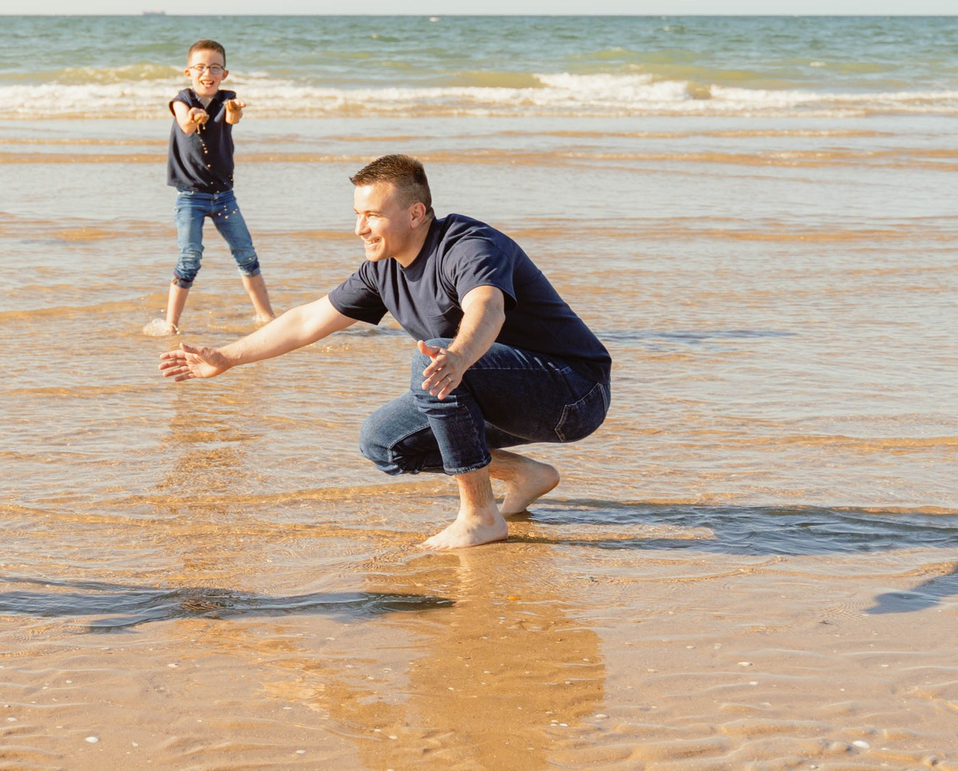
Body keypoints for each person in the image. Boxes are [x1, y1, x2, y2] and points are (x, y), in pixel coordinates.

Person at [157, 154, 612, 549]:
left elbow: (487, 306)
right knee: (383, 440)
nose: (359, 228)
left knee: (431, 357)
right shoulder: (382, 270)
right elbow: (306, 320)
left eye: (372, 215)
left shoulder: (468, 246)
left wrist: (458, 355)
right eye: (357, 214)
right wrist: (227, 357)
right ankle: (522, 475)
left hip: (573, 393)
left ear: (416, 214)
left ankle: (480, 517)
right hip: (497, 390)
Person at [141, 39, 277, 338]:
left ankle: (266, 317)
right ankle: (171, 324)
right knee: (190, 258)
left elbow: (232, 118)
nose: (208, 73)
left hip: (224, 195)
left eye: (215, 67)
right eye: (201, 67)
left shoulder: (228, 99)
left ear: (224, 74)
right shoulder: (181, 100)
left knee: (246, 255)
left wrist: (235, 109)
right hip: (190, 197)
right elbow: (186, 125)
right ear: (189, 72)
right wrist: (194, 116)